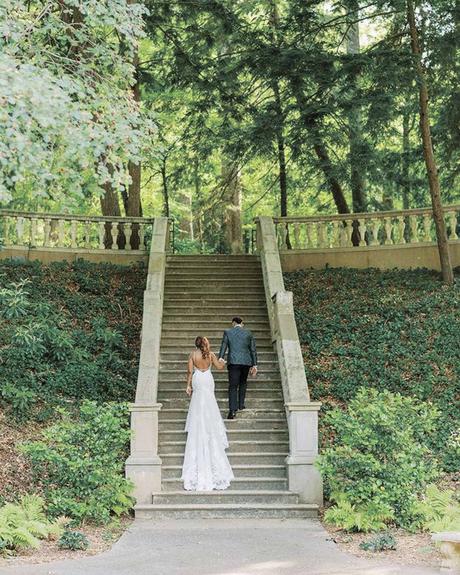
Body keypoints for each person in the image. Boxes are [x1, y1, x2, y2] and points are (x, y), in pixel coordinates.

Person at [181, 336, 234, 491]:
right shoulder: (210, 355)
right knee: (209, 401)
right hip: (208, 379)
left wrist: (188, 386)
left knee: (198, 401)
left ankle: (200, 424)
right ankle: (210, 425)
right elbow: (219, 367)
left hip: (198, 379)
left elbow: (189, 371)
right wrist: (223, 361)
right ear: (205, 344)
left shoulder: (192, 355)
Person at [218, 317, 258, 420]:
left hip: (234, 362)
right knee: (243, 382)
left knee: (233, 385)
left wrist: (221, 357)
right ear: (242, 323)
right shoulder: (248, 333)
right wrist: (255, 364)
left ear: (233, 323)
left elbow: (224, 345)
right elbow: (253, 350)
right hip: (246, 362)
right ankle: (241, 404)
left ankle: (232, 411)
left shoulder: (228, 332)